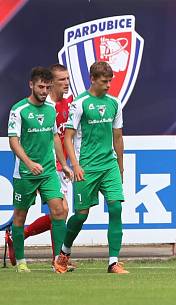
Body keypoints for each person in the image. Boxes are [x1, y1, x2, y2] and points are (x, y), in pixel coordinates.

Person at [5, 64, 77, 272]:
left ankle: (58, 262)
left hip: (48, 172)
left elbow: (55, 137)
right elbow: (13, 141)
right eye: (41, 87)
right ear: (31, 85)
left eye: (47, 87)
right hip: (25, 173)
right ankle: (21, 262)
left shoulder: (50, 109)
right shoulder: (19, 110)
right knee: (20, 216)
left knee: (59, 211)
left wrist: (63, 165)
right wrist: (29, 163)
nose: (44, 92)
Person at [60, 61, 127, 273]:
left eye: (110, 81)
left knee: (116, 207)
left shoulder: (114, 103)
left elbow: (118, 136)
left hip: (109, 165)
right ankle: (64, 253)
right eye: (104, 81)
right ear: (93, 79)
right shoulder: (79, 104)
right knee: (81, 214)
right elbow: (68, 137)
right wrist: (75, 165)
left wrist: (120, 166)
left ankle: (113, 262)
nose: (108, 85)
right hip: (86, 167)